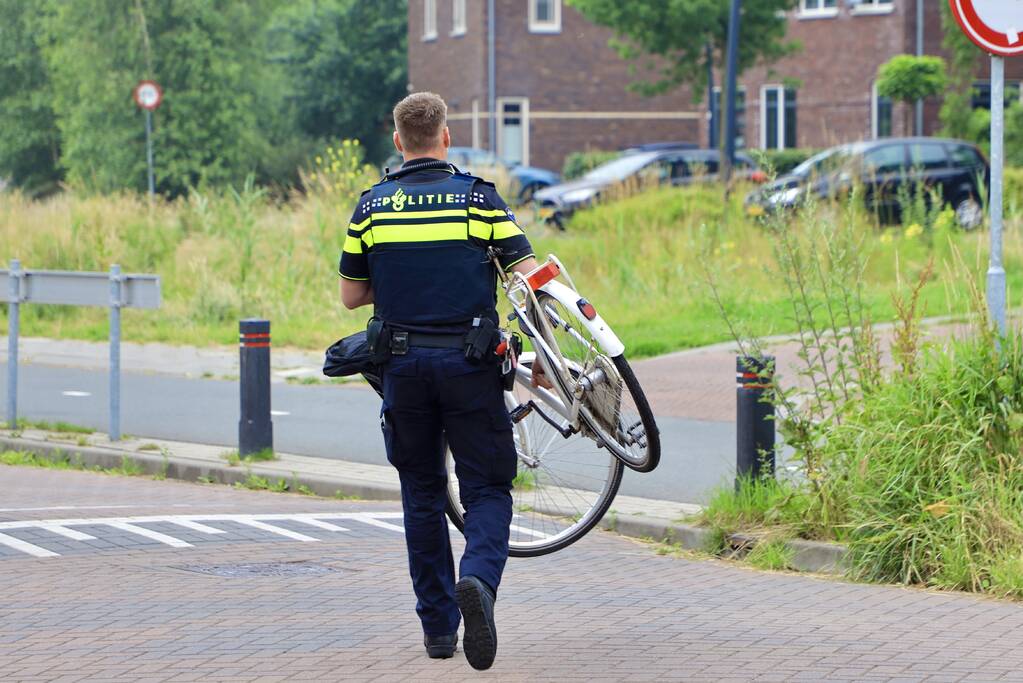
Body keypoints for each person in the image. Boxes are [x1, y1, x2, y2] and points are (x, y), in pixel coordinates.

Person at [338, 91, 548, 671]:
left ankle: (437, 629)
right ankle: (477, 578)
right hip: (470, 366)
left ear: (399, 141)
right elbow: (526, 274)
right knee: (486, 488)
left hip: (403, 368)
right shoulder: (478, 200)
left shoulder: (372, 207)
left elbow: (352, 294)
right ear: (446, 137)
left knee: (422, 494)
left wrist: (403, 278)